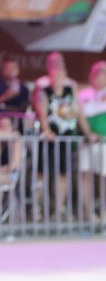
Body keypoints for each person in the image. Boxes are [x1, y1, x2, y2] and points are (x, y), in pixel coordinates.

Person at [36, 65, 94, 219]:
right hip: (50, 139)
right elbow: (42, 113)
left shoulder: (71, 91)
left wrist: (87, 132)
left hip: (67, 138)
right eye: (55, 77)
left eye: (61, 76)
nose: (58, 80)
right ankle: (39, 209)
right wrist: (46, 130)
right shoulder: (45, 92)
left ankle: (59, 208)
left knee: (63, 174)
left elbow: (79, 112)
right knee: (43, 173)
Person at [78, 62, 106, 221]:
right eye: (97, 72)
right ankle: (88, 212)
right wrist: (88, 132)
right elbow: (79, 114)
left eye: (102, 72)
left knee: (104, 177)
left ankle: (104, 211)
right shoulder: (84, 93)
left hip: (104, 142)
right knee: (86, 175)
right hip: (87, 143)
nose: (100, 75)